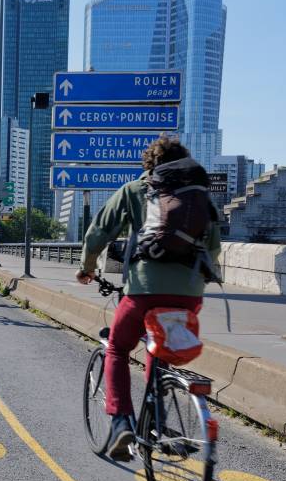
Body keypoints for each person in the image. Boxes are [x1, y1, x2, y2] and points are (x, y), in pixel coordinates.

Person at [76, 136, 221, 461]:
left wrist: (86, 269)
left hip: (143, 289)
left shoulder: (135, 190)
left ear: (149, 165)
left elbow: (98, 232)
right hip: (188, 292)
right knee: (160, 349)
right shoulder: (198, 196)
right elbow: (213, 247)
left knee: (117, 347)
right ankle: (155, 424)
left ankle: (121, 422)